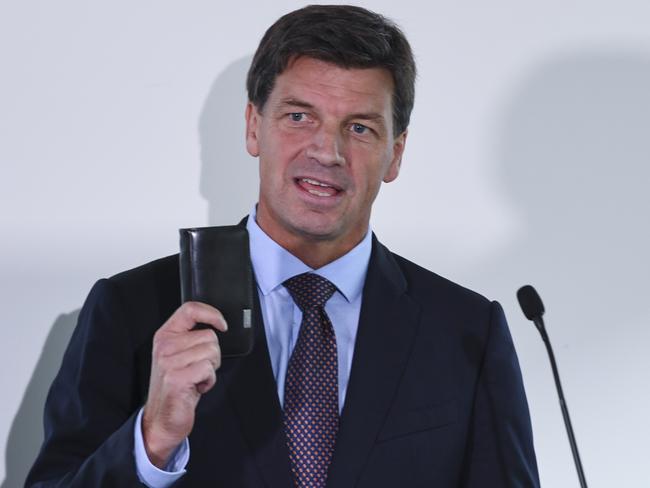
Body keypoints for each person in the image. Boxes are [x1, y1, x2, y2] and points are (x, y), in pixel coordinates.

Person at [27, 5, 540, 487]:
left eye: (359, 128)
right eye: (299, 117)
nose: (327, 151)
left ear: (395, 155)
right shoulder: (132, 310)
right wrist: (152, 441)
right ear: (254, 127)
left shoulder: (467, 330)